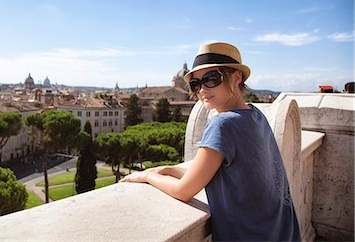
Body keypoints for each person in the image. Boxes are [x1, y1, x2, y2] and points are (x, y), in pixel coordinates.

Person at [120, 42, 301, 241]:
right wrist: (167, 169)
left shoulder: (223, 124)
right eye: (196, 84)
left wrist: (147, 177)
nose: (202, 90)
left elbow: (184, 191)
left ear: (236, 78)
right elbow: (217, 172)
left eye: (211, 79)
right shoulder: (255, 115)